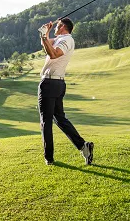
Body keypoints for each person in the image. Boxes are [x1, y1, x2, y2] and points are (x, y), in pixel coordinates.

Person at [38, 17, 94, 165]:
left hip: (50, 83)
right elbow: (46, 46)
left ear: (62, 26)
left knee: (46, 121)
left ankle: (49, 158)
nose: (55, 27)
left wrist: (45, 35)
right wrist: (45, 34)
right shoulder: (59, 39)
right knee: (59, 118)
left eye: (57, 25)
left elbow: (53, 54)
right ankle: (84, 146)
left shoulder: (66, 40)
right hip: (56, 83)